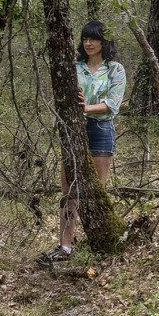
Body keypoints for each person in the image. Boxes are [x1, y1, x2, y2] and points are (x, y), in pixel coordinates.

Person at [38, 21, 126, 266]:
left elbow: (113, 104)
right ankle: (65, 246)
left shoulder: (115, 70)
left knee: (96, 192)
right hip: (73, 131)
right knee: (69, 193)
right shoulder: (74, 67)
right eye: (85, 39)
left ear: (103, 42)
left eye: (94, 39)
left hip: (100, 129)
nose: (88, 43)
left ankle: (98, 243)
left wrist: (85, 107)